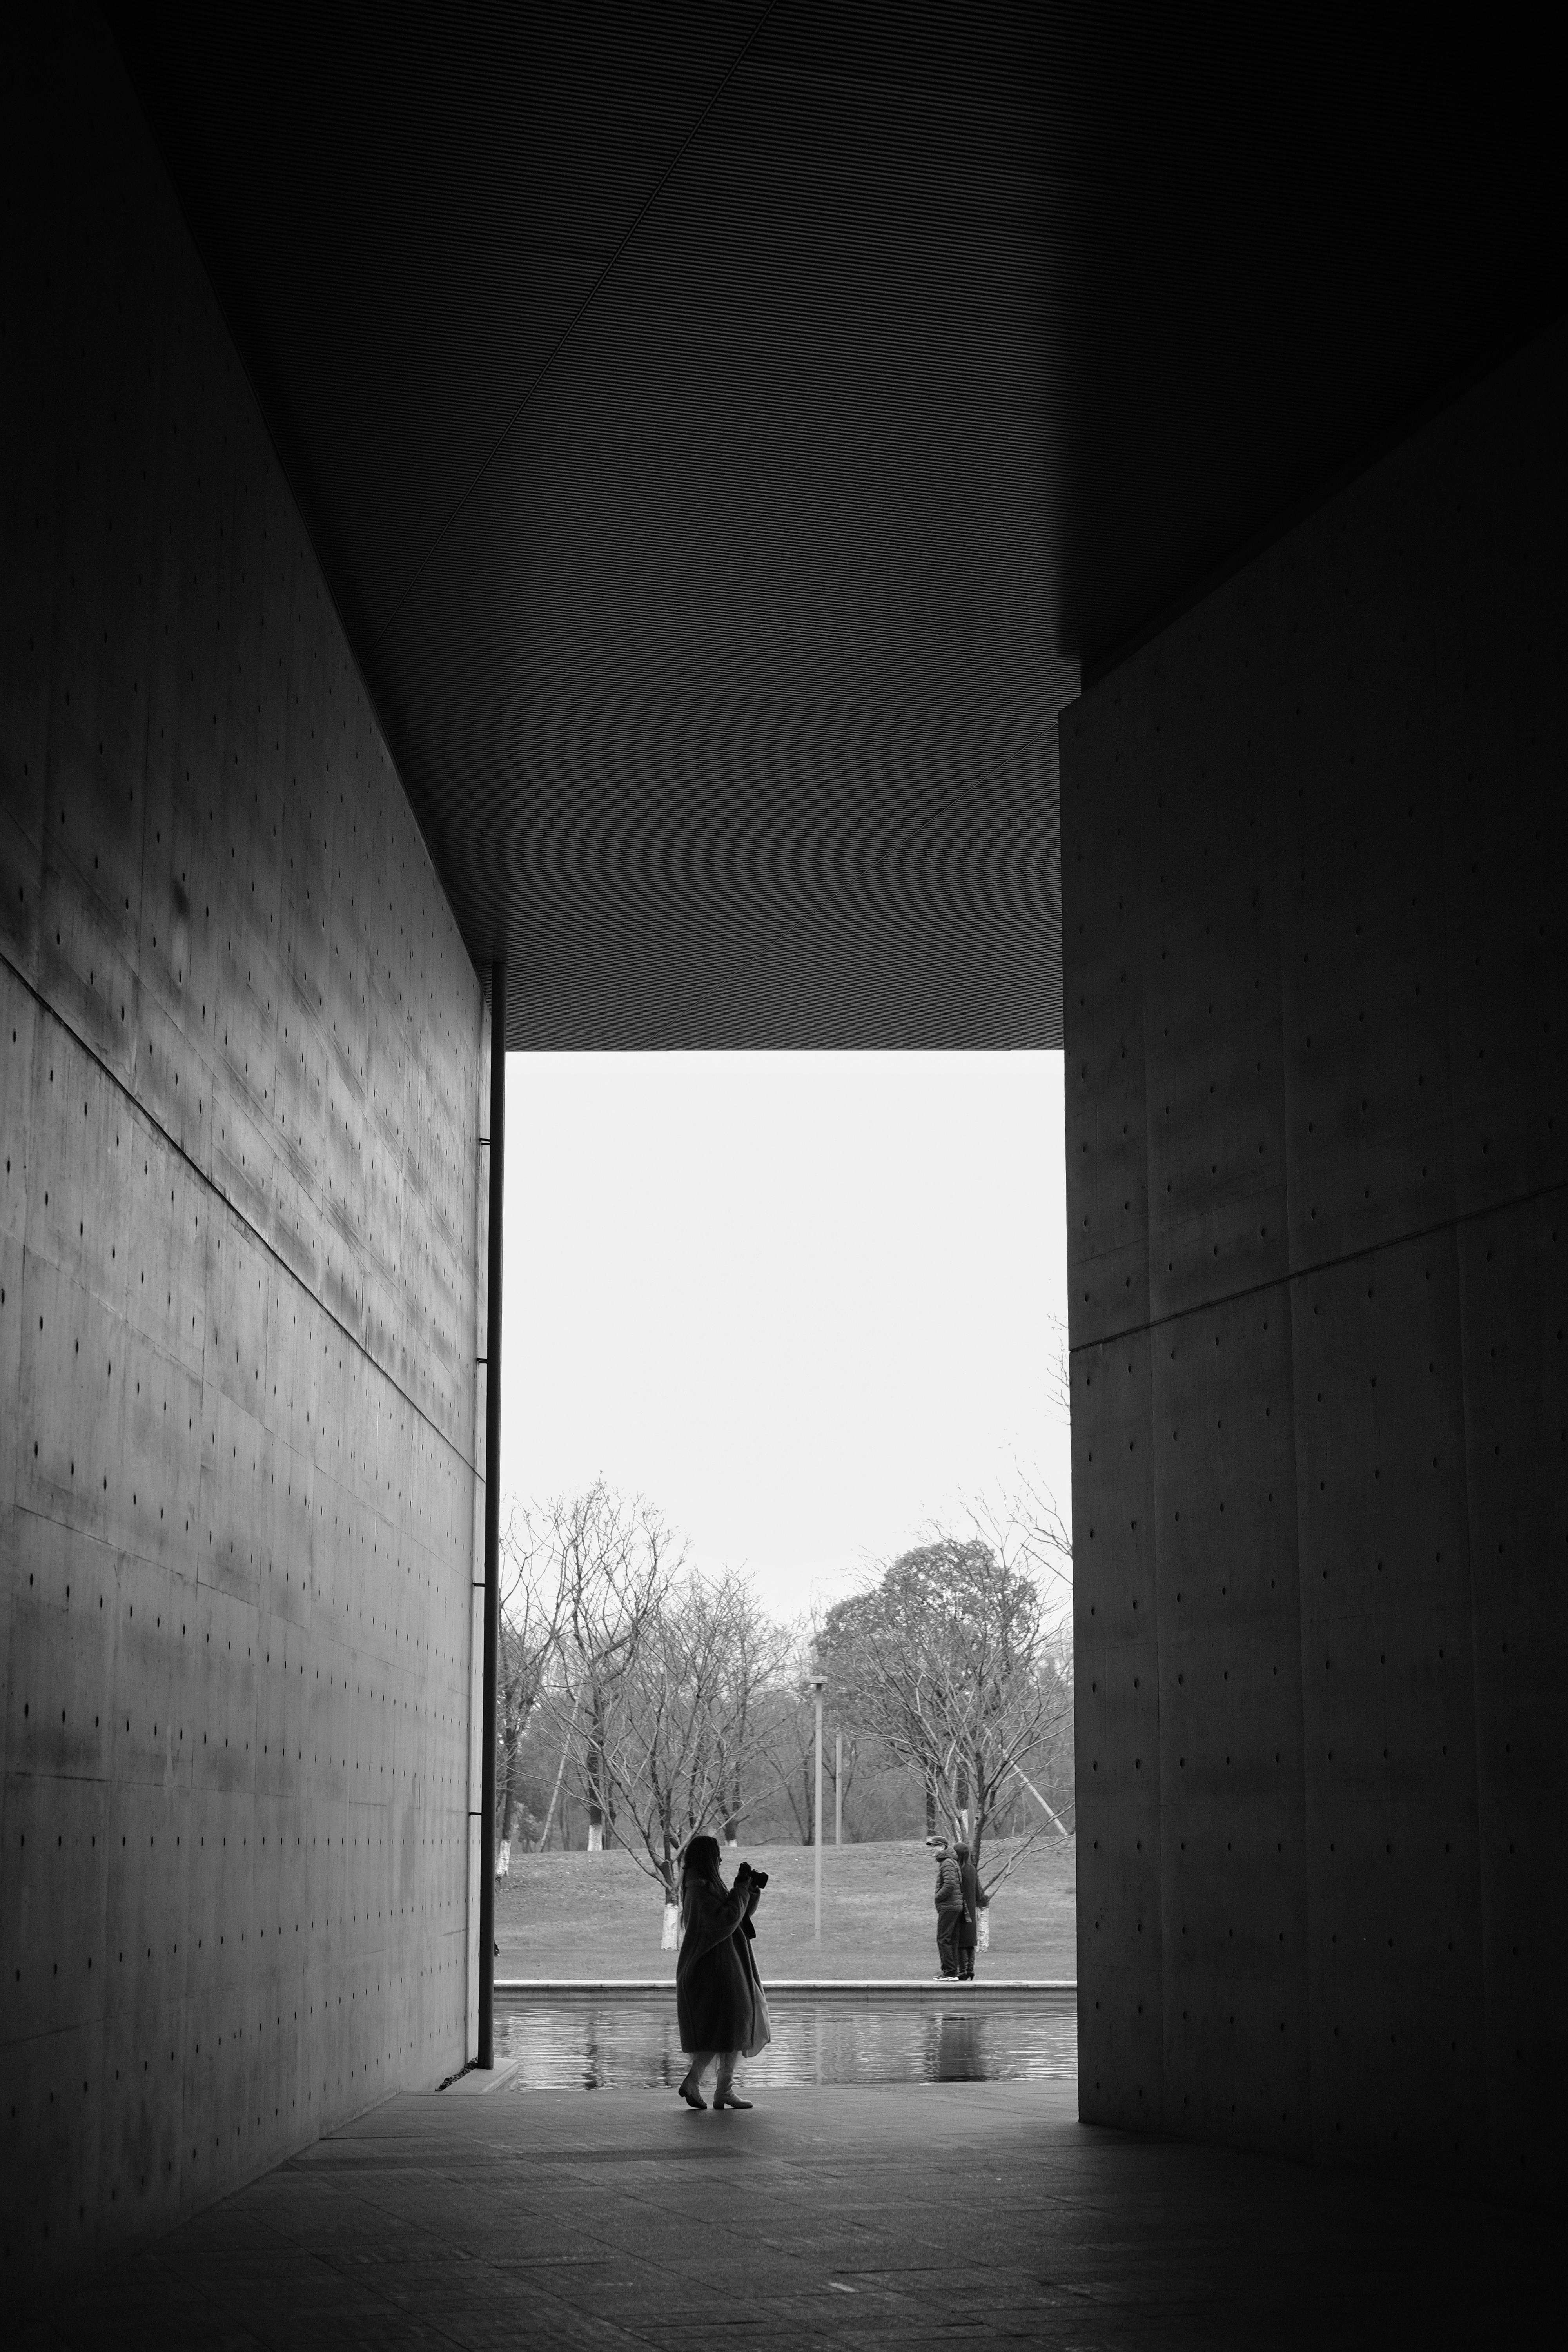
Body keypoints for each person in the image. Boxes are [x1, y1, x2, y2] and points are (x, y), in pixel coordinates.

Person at [674, 1833, 770, 2111]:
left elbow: (737, 1915)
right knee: (727, 2029)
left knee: (730, 2029)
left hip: (724, 1969)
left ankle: (721, 2090)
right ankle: (705, 2085)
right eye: (717, 1855)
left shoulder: (702, 1887)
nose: (720, 1860)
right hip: (717, 1972)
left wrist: (748, 1890)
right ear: (708, 1858)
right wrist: (740, 1889)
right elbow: (725, 1920)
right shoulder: (700, 1890)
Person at [933, 1840, 964, 1978]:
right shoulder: (952, 1862)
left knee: (943, 1938)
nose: (933, 1850)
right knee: (951, 1939)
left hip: (949, 1906)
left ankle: (950, 1972)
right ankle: (952, 1971)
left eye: (935, 1847)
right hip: (955, 1906)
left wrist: (938, 1898)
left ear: (942, 1847)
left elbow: (950, 1885)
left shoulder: (947, 1863)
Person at [955, 1841, 979, 1981]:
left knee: (961, 1940)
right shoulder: (972, 1869)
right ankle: (970, 1969)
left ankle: (962, 1969)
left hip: (961, 1908)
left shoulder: (958, 1870)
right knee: (970, 1940)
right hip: (971, 1908)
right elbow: (977, 1890)